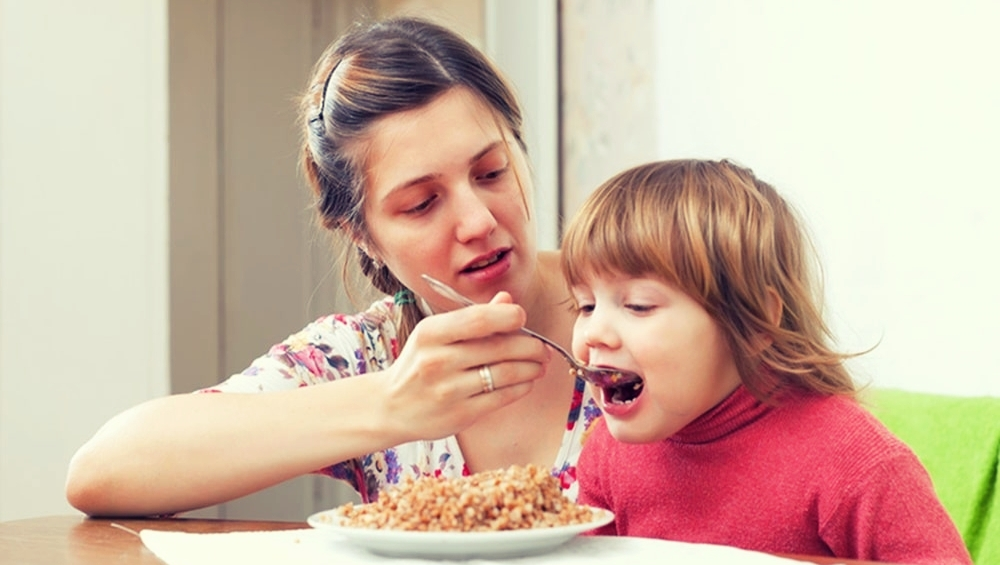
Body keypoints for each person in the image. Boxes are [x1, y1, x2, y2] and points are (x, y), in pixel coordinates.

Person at [65, 15, 601, 518]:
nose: (478, 221)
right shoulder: (367, 356)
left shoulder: (640, 305)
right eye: (421, 204)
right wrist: (392, 403)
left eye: (491, 172)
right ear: (361, 235)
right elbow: (101, 470)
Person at [561, 159, 972, 564]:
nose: (593, 332)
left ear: (754, 325)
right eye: (585, 306)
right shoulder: (606, 456)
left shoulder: (854, 461)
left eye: (638, 305)